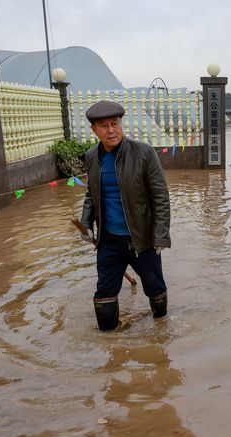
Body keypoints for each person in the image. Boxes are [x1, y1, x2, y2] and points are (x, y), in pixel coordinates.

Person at [79, 100, 171, 331]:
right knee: (104, 293)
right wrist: (86, 222)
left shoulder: (144, 153)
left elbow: (161, 197)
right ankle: (110, 347)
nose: (111, 130)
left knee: (154, 287)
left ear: (121, 124)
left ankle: (161, 332)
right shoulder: (92, 157)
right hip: (108, 240)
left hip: (141, 240)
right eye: (104, 126)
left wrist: (160, 237)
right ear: (94, 130)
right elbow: (91, 194)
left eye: (115, 123)